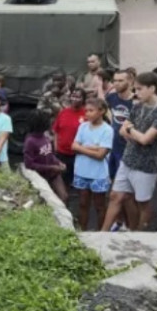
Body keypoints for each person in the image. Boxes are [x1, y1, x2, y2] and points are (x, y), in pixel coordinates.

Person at [101, 72, 157, 232]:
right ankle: (102, 234)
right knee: (115, 196)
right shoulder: (137, 106)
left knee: (143, 203)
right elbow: (122, 131)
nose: (136, 93)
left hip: (145, 166)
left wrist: (132, 130)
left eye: (139, 89)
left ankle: (140, 234)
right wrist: (135, 135)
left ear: (152, 88)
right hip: (128, 159)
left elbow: (146, 139)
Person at [71, 97, 113, 231]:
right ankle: (83, 231)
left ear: (101, 111)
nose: (87, 114)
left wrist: (81, 148)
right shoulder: (83, 126)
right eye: (86, 111)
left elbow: (101, 155)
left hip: (98, 174)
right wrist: (94, 147)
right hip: (81, 172)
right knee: (83, 204)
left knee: (99, 206)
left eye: (91, 111)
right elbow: (73, 146)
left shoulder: (107, 130)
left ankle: (100, 233)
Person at [23, 110, 70, 202]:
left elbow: (50, 154)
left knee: (64, 197)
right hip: (40, 176)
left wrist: (58, 162)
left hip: (53, 174)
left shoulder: (45, 136)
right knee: (45, 201)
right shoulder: (30, 141)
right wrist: (52, 167)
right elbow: (29, 165)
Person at [52, 89, 86, 188]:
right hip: (61, 153)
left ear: (83, 99)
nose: (75, 99)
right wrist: (55, 147)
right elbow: (56, 131)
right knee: (61, 180)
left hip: (78, 155)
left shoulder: (86, 114)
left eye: (78, 97)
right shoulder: (63, 112)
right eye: (73, 96)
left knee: (75, 182)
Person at [105, 70, 135, 179]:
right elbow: (106, 111)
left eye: (120, 80)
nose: (116, 83)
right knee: (112, 179)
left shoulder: (136, 101)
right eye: (115, 81)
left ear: (130, 81)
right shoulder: (111, 97)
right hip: (113, 145)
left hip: (128, 148)